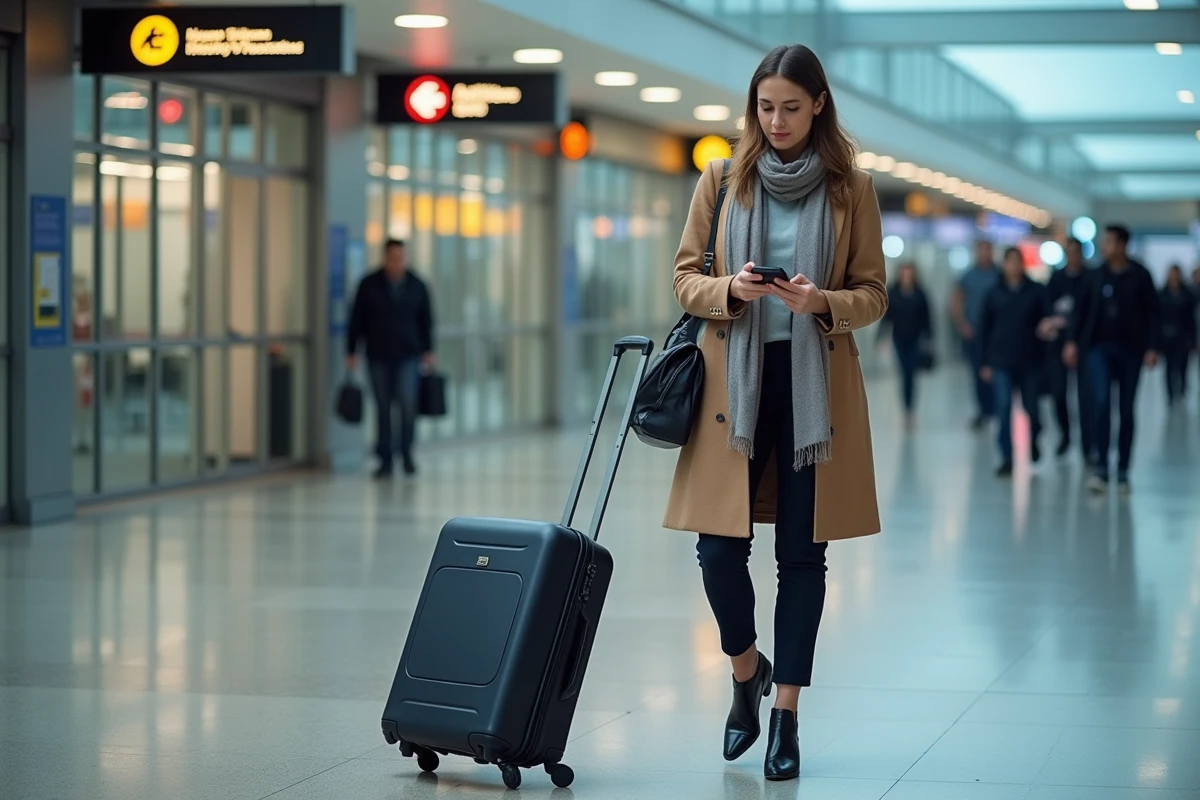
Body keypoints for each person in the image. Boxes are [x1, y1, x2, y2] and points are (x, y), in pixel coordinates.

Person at [661, 44, 887, 782]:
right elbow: (684, 279)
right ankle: (745, 670)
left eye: (792, 106)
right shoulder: (724, 178)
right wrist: (732, 289)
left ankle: (785, 711)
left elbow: (873, 294)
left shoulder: (853, 187)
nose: (777, 120)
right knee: (718, 552)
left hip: (814, 388)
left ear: (818, 104)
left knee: (802, 558)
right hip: (737, 390)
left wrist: (820, 301)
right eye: (766, 107)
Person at [1063, 225, 1159, 494]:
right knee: (1102, 402)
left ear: (1123, 245)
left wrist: (1151, 347)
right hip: (1098, 348)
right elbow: (1079, 313)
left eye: (1110, 242)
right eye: (1104, 242)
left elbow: (1153, 313)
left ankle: (1124, 469)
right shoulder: (1094, 276)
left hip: (1130, 350)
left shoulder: (1139, 275)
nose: (1105, 247)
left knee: (1126, 409)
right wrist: (1072, 342)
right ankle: (1101, 466)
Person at [346, 239, 435, 478]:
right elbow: (356, 320)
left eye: (401, 257)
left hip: (408, 355)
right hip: (378, 355)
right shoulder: (369, 285)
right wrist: (352, 351)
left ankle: (406, 453)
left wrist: (428, 350)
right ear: (385, 258)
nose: (397, 262)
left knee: (407, 404)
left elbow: (426, 321)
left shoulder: (417, 285)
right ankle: (384, 458)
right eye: (393, 257)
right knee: (383, 407)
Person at [978, 247, 1051, 477]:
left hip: (1030, 360)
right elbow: (984, 329)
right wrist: (985, 362)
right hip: (1001, 360)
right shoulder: (994, 293)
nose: (1013, 267)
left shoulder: (1036, 291)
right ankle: (1007, 457)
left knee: (1031, 408)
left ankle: (1035, 439)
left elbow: (1047, 320)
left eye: (1017, 262)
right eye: (1009, 262)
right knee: (1003, 408)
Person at [1041, 237, 1091, 458]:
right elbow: (1048, 308)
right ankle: (1065, 434)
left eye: (1076, 252)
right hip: (1058, 345)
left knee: (1086, 395)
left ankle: (1088, 444)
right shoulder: (1057, 278)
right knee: (1058, 392)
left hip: (1085, 344)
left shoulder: (1091, 278)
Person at [950, 240, 1000, 429]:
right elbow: (955, 302)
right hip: (975, 335)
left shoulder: (999, 275)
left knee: (997, 374)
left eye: (988, 250)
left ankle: (997, 409)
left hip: (997, 336)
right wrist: (963, 325)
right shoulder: (968, 277)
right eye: (982, 250)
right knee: (977, 373)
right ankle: (983, 410)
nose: (985, 254)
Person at [880, 262, 933, 428]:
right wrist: (881, 338)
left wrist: (929, 339)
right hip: (899, 339)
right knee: (904, 373)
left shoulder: (920, 293)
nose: (907, 277)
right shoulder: (893, 292)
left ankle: (910, 410)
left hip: (915, 339)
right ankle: (906, 409)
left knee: (911, 374)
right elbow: (886, 317)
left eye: (909, 274)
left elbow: (927, 318)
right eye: (904, 273)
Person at [1159, 264, 1197, 406]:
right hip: (1167, 335)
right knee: (1169, 367)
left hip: (1183, 336)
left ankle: (1181, 391)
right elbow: (1158, 318)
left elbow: (1191, 319)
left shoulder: (1186, 294)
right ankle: (1170, 393)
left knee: (1182, 366)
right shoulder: (1162, 294)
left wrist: (1192, 340)